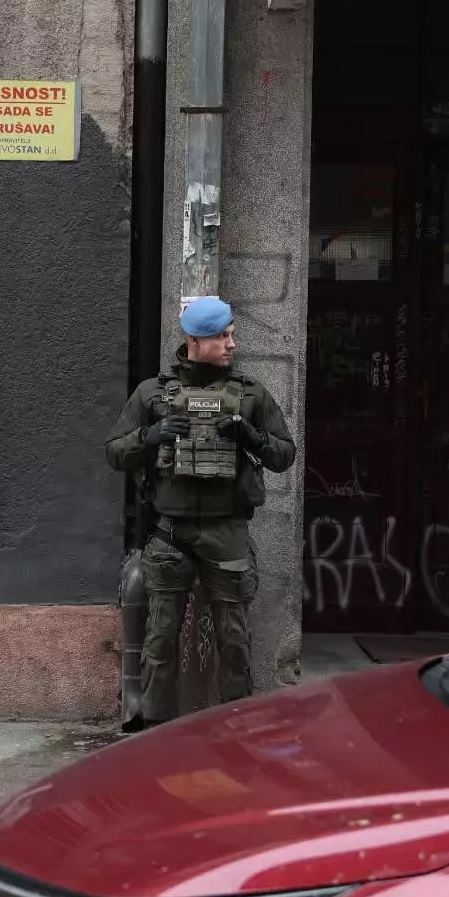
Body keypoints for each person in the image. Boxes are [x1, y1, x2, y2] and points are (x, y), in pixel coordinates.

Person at [104, 295, 295, 725]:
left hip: (228, 533)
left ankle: (235, 726)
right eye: (222, 337)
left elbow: (285, 455)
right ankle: (155, 727)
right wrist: (151, 435)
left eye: (232, 335)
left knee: (234, 641)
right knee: (160, 638)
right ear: (195, 340)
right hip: (171, 533)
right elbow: (114, 451)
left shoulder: (251, 394)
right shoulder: (153, 393)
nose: (232, 344)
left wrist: (250, 436)